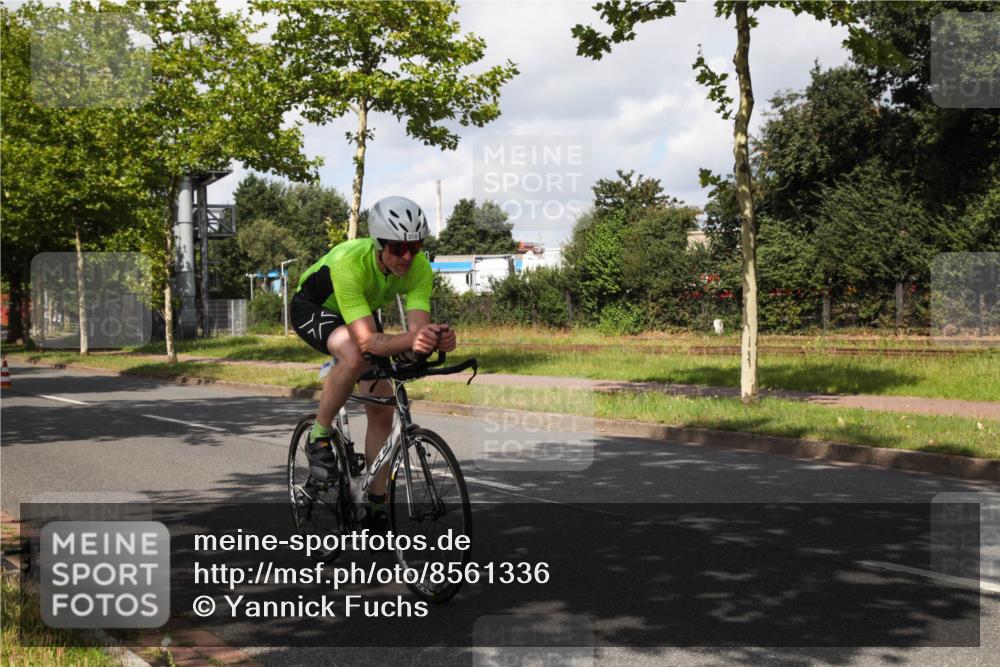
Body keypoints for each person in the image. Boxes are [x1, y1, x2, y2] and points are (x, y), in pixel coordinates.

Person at [290, 195, 457, 531]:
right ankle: (319, 436)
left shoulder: (419, 266)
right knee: (353, 354)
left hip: (358, 314)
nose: (408, 256)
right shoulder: (350, 262)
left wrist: (432, 340)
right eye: (398, 248)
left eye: (415, 246)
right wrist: (413, 340)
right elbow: (368, 341)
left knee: (382, 409)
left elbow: (414, 333)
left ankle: (376, 504)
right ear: (380, 244)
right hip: (316, 308)